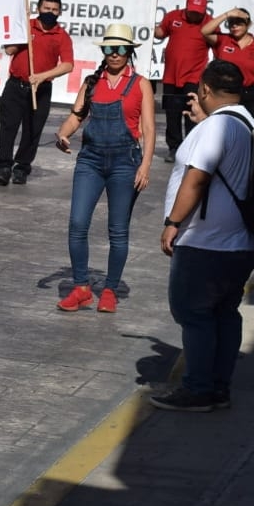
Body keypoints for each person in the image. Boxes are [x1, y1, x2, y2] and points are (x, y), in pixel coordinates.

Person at [151, 60, 254, 412]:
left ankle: (197, 388)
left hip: (206, 240)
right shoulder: (245, 122)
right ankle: (217, 387)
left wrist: (173, 221)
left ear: (206, 90)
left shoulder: (216, 129)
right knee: (225, 312)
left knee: (193, 311)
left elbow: (196, 180)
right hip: (240, 241)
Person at [51, 25, 155, 314]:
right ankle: (82, 287)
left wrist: (145, 165)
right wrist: (63, 134)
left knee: (118, 230)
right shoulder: (92, 82)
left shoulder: (140, 84)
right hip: (91, 160)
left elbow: (148, 127)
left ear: (129, 52)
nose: (114, 54)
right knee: (77, 224)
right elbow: (76, 116)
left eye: (120, 49)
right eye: (109, 49)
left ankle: (109, 289)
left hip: (125, 162)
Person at [0, 0, 74, 187]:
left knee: (33, 130)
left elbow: (67, 65)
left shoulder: (61, 35)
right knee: (8, 127)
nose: (50, 13)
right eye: (47, 9)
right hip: (16, 86)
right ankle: (3, 166)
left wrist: (42, 76)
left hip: (41, 89)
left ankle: (22, 167)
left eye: (54, 10)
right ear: (38, 9)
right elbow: (9, 50)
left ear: (60, 12)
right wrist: (23, 37)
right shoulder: (26, 25)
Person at [156, 0, 212, 161]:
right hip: (171, 76)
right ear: (187, 5)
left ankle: (190, 146)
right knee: (172, 113)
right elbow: (160, 33)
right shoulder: (173, 17)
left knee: (191, 113)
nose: (195, 14)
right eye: (192, 10)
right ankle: (174, 147)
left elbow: (218, 43)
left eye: (199, 11)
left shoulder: (209, 23)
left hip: (194, 77)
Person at [200, 7, 254, 123]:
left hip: (251, 96)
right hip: (225, 94)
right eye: (231, 23)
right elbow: (204, 31)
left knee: (247, 129)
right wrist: (226, 14)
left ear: (248, 24)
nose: (235, 26)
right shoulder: (223, 40)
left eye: (239, 23)